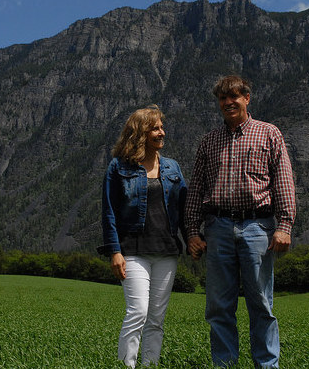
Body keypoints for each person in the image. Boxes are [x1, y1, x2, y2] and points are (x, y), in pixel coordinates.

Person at [185, 75, 296, 368]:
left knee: (261, 303)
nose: (228, 103)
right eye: (223, 99)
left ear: (247, 98)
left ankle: (267, 365)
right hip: (218, 227)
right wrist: (192, 232)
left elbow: (283, 181)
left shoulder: (269, 133)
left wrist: (284, 226)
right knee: (219, 306)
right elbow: (197, 188)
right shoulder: (209, 141)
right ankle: (225, 365)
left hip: (257, 227)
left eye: (234, 97)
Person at [100, 105, 187, 368]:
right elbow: (109, 212)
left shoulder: (172, 167)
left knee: (156, 319)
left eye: (162, 127)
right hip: (133, 250)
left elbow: (183, 209)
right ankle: (126, 365)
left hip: (166, 251)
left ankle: (150, 364)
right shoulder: (118, 167)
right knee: (137, 312)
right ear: (140, 134)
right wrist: (115, 251)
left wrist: (192, 237)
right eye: (156, 128)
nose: (162, 132)